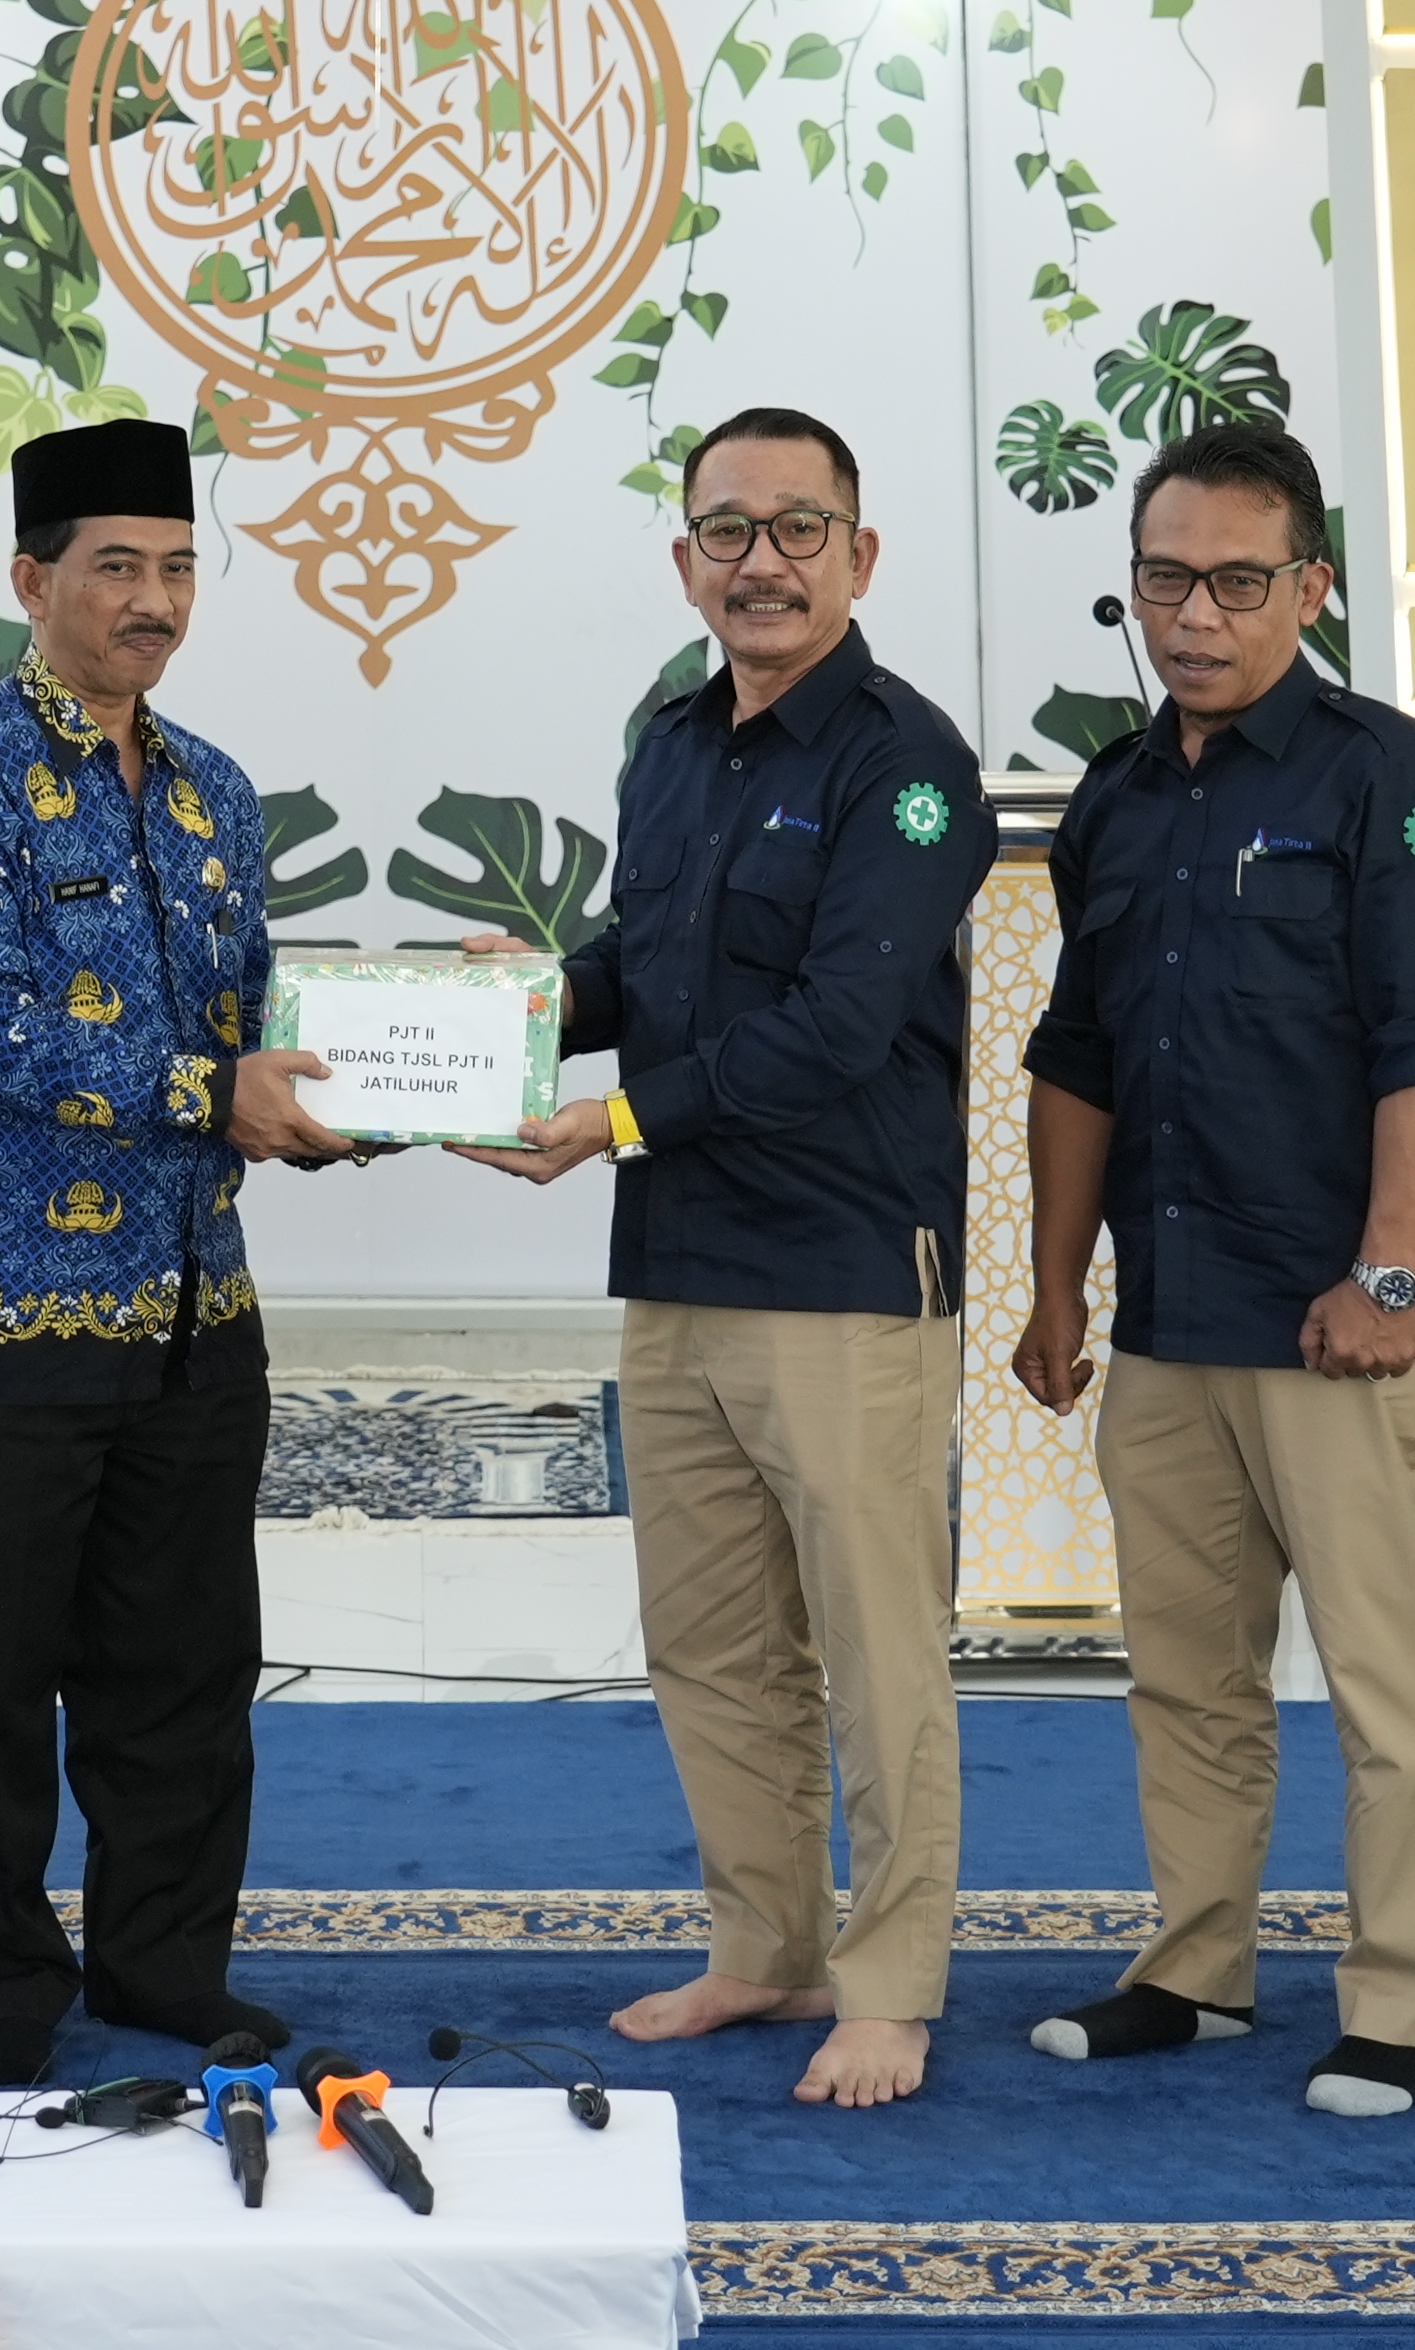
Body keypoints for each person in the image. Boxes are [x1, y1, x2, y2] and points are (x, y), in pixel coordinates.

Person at [463, 405, 992, 2110]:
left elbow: (840, 1024)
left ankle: (890, 1985)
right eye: (728, 531)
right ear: (687, 557)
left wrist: (614, 1120)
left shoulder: (910, 767)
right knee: (710, 1644)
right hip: (681, 1262)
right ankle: (769, 1950)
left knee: (878, 1651)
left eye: (797, 528)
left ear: (860, 553)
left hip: (841, 1272)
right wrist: (525, 1004)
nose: (762, 562)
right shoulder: (673, 744)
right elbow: (648, 962)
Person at [0, 416, 356, 2087]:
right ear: (32, 580)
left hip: (191, 1309)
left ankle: (163, 1969)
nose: (155, 600)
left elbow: (254, 1018)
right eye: (118, 568)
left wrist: (385, 1070)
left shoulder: (215, 791)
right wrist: (215, 1090)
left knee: (183, 1679)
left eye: (179, 568)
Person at [1010, 418, 1415, 2120]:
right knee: (1187, 1682)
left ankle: (1405, 2006)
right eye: (1165, 580)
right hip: (1170, 1325)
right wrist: (1058, 1287)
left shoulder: (1394, 783)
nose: (1194, 616)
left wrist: (1388, 1276)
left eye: (1234, 581)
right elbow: (1077, 1057)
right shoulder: (1118, 796)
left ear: (1311, 587)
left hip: (1335, 1327)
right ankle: (1197, 1970)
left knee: (1386, 1690)